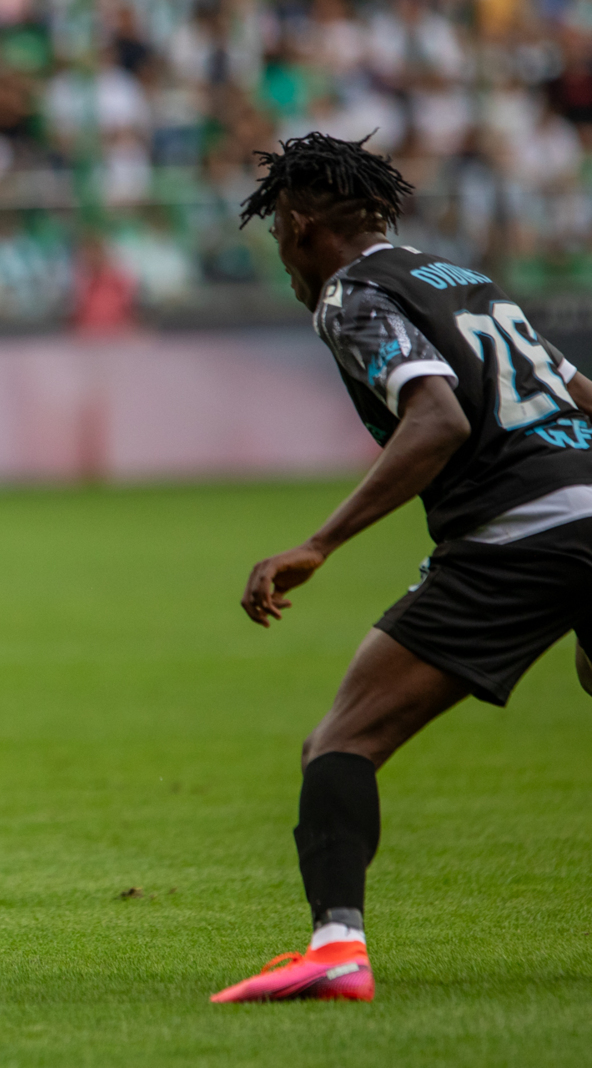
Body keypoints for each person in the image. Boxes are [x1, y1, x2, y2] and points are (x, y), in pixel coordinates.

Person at [211, 132, 592, 1004]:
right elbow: (580, 395)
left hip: (516, 530)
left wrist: (319, 543)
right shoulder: (465, 281)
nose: (285, 263)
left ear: (302, 224)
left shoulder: (353, 294)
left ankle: (336, 948)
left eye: (279, 240)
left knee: (342, 740)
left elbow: (438, 422)